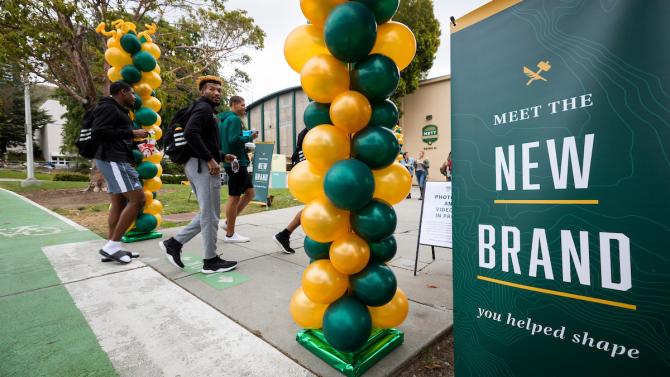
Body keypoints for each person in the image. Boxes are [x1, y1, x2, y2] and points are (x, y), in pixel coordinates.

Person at [160, 76, 238, 274]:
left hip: (196, 164)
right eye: (212, 89)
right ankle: (210, 261)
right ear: (202, 92)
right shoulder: (203, 109)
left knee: (207, 212)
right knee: (211, 215)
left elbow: (204, 140)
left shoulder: (206, 110)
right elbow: (191, 133)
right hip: (202, 166)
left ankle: (175, 243)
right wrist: (211, 160)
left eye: (219, 90)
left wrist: (221, 156)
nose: (217, 93)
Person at [92, 81, 149, 264]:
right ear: (123, 92)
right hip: (112, 159)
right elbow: (99, 133)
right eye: (132, 93)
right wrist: (132, 133)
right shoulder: (108, 108)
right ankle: (113, 245)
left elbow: (115, 134)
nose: (134, 97)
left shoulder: (116, 109)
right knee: (138, 199)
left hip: (115, 157)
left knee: (119, 201)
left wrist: (135, 140)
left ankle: (112, 246)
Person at [219, 95, 258, 243]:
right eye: (242, 105)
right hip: (236, 163)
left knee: (250, 193)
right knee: (234, 196)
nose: (245, 107)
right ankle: (230, 234)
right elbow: (233, 140)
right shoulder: (234, 119)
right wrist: (250, 137)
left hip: (234, 161)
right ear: (234, 105)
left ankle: (229, 222)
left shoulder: (224, 120)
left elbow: (227, 140)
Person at [273, 127, 309, 254]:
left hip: (305, 176)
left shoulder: (306, 132)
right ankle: (284, 235)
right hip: (309, 177)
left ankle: (284, 235)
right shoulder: (311, 132)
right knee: (315, 208)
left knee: (313, 207)